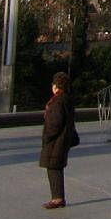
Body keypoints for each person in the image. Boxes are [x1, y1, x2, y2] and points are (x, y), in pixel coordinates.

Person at [38, 71, 78, 209]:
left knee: (53, 168)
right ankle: (58, 197)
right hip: (62, 140)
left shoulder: (58, 101)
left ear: (56, 85)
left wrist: (47, 136)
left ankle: (57, 199)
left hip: (56, 142)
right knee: (56, 168)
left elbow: (55, 123)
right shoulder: (67, 99)